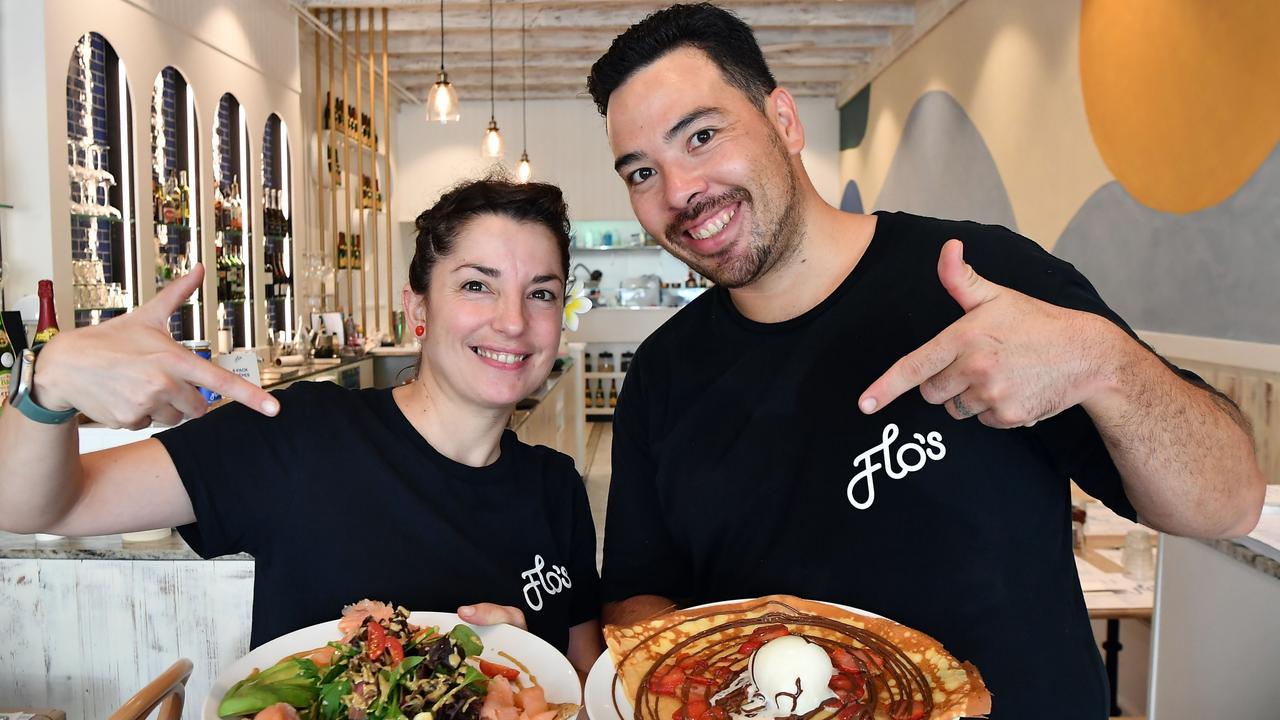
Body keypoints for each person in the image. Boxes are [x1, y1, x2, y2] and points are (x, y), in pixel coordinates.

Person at [586, 4, 1264, 717]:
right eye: (640, 172)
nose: (678, 193)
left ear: (784, 119)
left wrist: (1105, 363)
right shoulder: (662, 373)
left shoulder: (979, 277)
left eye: (701, 134)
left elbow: (1229, 501)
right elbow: (638, 595)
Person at [0, 178, 602, 675]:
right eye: (477, 285)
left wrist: (522, 668)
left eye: (541, 294)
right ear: (417, 309)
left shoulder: (556, 487)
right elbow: (41, 507)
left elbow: (582, 674)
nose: (513, 322)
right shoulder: (298, 436)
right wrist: (47, 388)